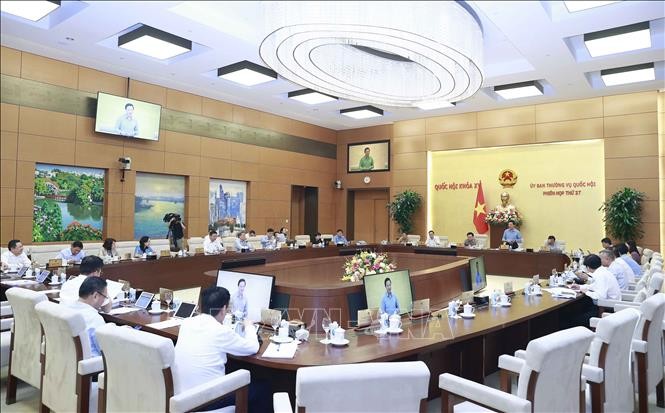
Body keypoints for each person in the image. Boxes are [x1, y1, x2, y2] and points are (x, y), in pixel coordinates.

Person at [173, 286, 266, 412]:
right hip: (206, 400)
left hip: (180, 396)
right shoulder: (221, 331)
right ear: (223, 309)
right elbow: (253, 347)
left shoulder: (187, 323)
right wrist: (249, 326)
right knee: (261, 388)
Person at [568, 254, 621, 328]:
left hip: (608, 307)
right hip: (610, 303)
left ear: (588, 267)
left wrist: (586, 292)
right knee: (581, 304)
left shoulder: (600, 275)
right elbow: (595, 286)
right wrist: (580, 287)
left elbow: (601, 297)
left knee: (574, 317)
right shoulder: (603, 271)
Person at [61, 276, 109, 357]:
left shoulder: (65, 310)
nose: (104, 301)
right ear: (95, 296)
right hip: (93, 362)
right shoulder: (95, 319)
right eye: (105, 297)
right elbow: (105, 351)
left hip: (66, 358)